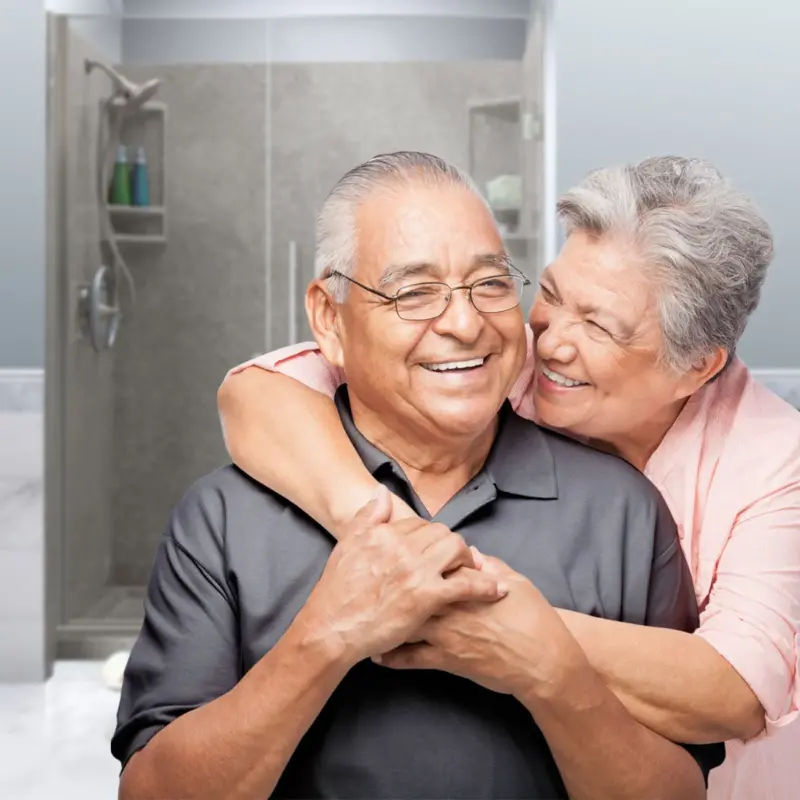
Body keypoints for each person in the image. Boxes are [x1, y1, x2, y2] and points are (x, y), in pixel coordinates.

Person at [113, 152, 723, 799]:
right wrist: (326, 639)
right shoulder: (225, 518)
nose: (464, 324)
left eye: (490, 284)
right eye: (414, 292)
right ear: (328, 319)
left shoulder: (622, 512)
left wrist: (554, 676)